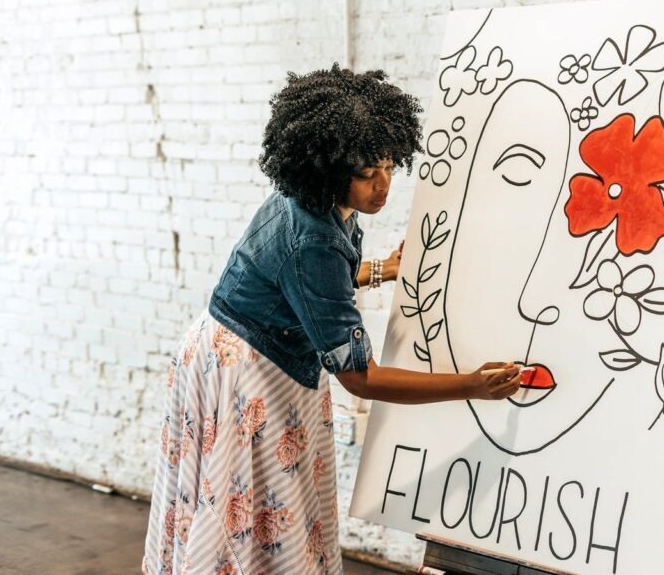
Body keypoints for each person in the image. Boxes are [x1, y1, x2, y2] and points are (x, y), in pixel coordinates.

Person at [141, 65, 522, 575]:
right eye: (367, 174)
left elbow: (298, 285)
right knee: (254, 520)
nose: (383, 185)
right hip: (249, 374)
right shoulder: (314, 235)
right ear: (327, 170)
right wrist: (470, 386)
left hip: (240, 351)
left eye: (388, 166)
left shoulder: (314, 201)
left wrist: (380, 270)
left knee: (264, 515)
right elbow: (359, 377)